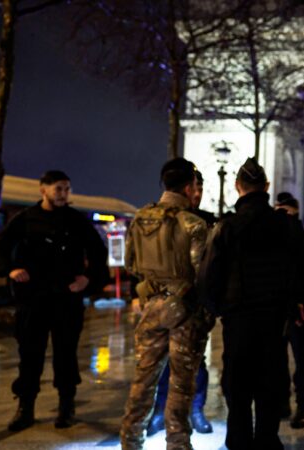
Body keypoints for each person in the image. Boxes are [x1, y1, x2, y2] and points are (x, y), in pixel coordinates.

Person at [198, 157, 304, 450]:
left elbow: (209, 277)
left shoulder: (226, 227)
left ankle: (238, 440)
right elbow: (301, 270)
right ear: (267, 187)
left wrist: (222, 310)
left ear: (237, 187)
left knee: (238, 384)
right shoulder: (285, 226)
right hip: (274, 319)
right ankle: (268, 440)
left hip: (239, 319)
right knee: (270, 382)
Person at [0, 170, 108, 431]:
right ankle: (25, 408)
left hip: (67, 300)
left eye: (67, 188)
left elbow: (99, 253)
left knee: (66, 355)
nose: (63, 194)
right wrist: (9, 270)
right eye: (58, 189)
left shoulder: (77, 221)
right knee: (29, 356)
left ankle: (67, 407)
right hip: (33, 300)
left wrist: (88, 279)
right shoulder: (25, 219)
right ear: (43, 190)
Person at [120, 158, 213, 449]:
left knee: (143, 379)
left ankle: (131, 439)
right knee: (181, 384)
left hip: (151, 308)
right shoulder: (194, 224)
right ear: (189, 187)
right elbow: (202, 273)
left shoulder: (140, 218)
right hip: (184, 312)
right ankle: (177, 443)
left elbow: (130, 264)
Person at [146, 170, 215, 437]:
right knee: (162, 363)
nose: (196, 194)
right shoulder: (160, 220)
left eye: (200, 188)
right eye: (194, 188)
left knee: (197, 364)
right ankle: (161, 413)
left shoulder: (206, 221)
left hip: (195, 306)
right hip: (163, 305)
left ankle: (196, 410)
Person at [274, 192, 304, 428]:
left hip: (298, 306)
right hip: (279, 306)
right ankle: (282, 402)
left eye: (285, 211)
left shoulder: (301, 233)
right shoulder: (270, 232)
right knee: (278, 358)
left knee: (301, 359)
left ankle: (302, 404)